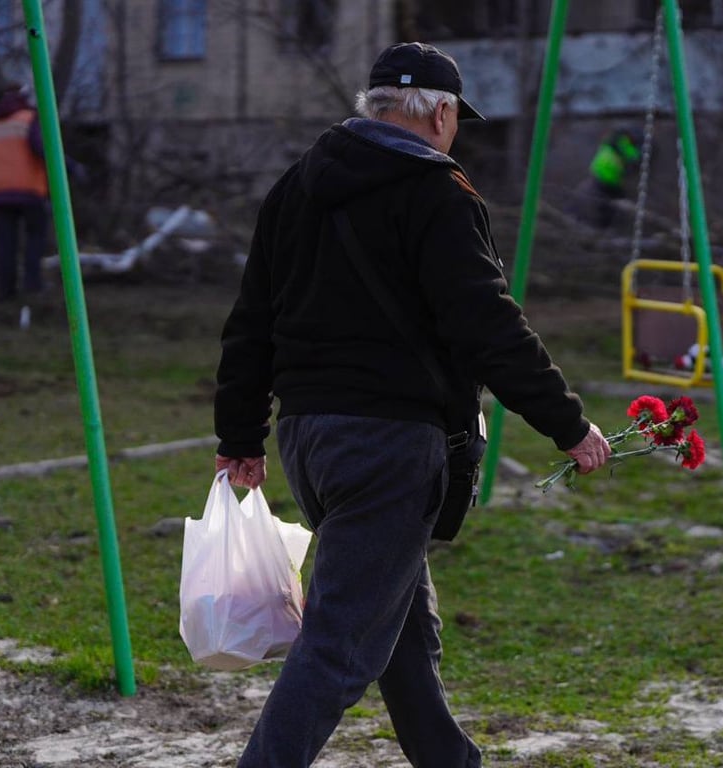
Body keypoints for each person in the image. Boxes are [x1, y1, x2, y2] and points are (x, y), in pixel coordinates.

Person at [213, 41, 612, 768]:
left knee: (400, 627)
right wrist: (567, 423)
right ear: (438, 114)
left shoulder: (297, 185)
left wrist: (241, 433)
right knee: (339, 646)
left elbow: (251, 322)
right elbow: (486, 323)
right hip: (389, 444)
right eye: (455, 119)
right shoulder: (436, 191)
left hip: (308, 439)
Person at [0, 85, 50, 303]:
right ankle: (32, 285)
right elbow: (41, 148)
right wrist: (71, 167)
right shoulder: (28, 119)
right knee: (35, 237)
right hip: (29, 189)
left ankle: (6, 290)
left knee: (5, 243)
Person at [584, 126, 642, 229]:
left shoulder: (610, 142)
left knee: (603, 203)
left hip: (599, 175)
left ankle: (602, 225)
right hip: (609, 179)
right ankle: (607, 225)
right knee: (612, 203)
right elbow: (633, 156)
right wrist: (638, 153)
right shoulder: (623, 143)